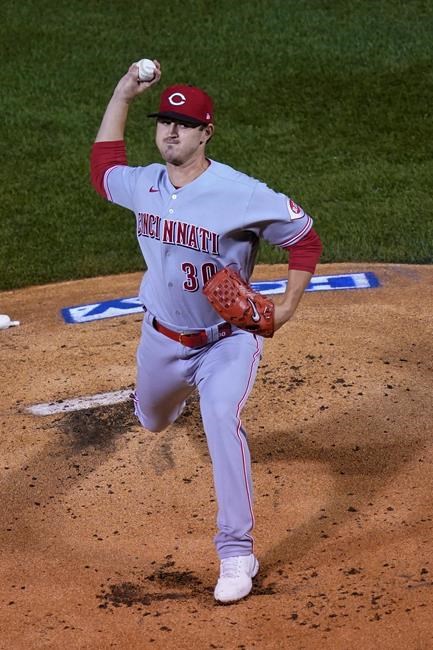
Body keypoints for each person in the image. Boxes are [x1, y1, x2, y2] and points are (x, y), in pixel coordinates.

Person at [90, 60, 322, 604]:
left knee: (221, 417)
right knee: (151, 419)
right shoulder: (144, 183)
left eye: (185, 124)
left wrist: (286, 307)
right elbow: (103, 167)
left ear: (206, 132)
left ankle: (237, 552)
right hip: (162, 338)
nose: (171, 131)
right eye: (165, 122)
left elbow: (305, 239)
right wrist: (122, 93)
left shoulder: (239, 192)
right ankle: (166, 401)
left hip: (227, 342)